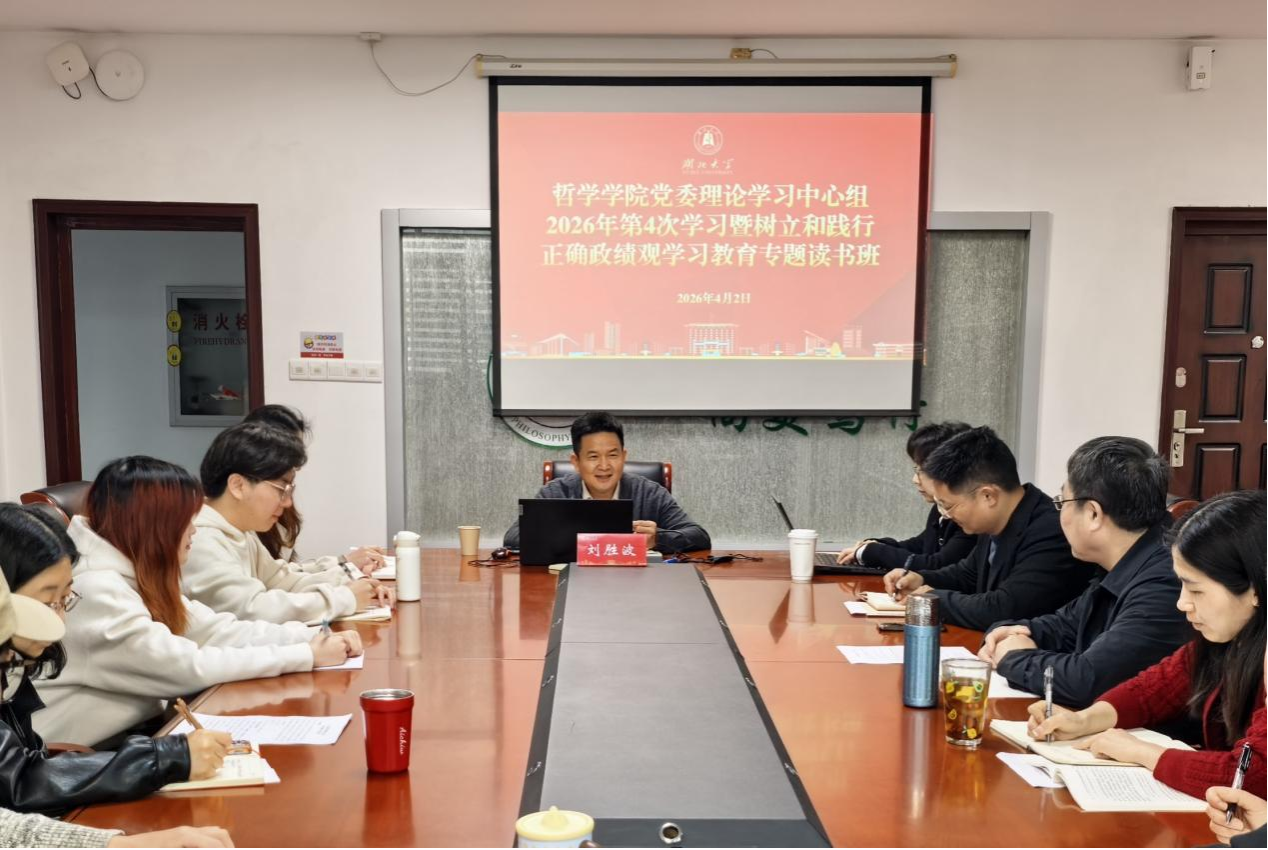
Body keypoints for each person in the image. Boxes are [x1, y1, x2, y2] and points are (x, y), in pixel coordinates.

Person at [33, 457, 357, 747]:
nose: (194, 531)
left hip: (137, 739)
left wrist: (312, 637)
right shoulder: (97, 589)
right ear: (155, 525)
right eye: (185, 520)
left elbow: (216, 630)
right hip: (78, 761)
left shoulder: (139, 573)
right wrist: (304, 655)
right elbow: (188, 667)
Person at [1028, 490, 1266, 801]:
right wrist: (1084, 720)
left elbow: (1250, 776)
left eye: (1196, 590)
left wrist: (1143, 752)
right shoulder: (1230, 637)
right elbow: (1157, 688)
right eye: (1181, 585)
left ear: (1255, 589)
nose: (1182, 603)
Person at [0, 505, 235, 814]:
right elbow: (18, 783)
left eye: (65, 600)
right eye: (47, 602)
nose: (60, 622)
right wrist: (166, 758)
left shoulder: (14, 658)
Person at [978, 437, 1190, 707]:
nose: (1060, 515)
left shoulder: (1166, 580)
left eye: (1062, 502)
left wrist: (1013, 658)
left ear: (1093, 514)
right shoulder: (1124, 559)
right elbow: (1066, 626)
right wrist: (1011, 633)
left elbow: (1088, 680)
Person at [882, 426, 1095, 630]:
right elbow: (967, 574)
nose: (946, 515)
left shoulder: (1051, 531)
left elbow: (1003, 608)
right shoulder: (995, 520)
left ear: (987, 496)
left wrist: (932, 598)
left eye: (948, 506)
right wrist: (921, 579)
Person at [183, 423, 391, 625]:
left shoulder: (239, 531)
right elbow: (252, 610)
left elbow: (281, 581)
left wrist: (349, 582)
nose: (288, 502)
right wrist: (343, 598)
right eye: (281, 489)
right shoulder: (201, 539)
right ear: (238, 485)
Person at [503, 412, 710, 553]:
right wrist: (570, 536)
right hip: (574, 583)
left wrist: (658, 539)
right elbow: (512, 537)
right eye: (593, 457)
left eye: (612, 455)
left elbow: (699, 536)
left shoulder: (648, 493)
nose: (604, 466)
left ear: (623, 456)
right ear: (576, 462)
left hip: (634, 586)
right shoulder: (556, 493)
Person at [243, 405, 385, 574]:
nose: (297, 464)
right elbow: (271, 582)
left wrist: (343, 564)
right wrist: (344, 569)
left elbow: (280, 575)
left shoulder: (276, 498)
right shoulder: (238, 522)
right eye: (291, 452)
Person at [836, 421, 976, 569]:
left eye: (922, 471)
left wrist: (874, 552)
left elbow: (937, 564)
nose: (915, 480)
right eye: (916, 469)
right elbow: (920, 545)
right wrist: (876, 546)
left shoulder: (970, 516)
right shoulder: (940, 508)